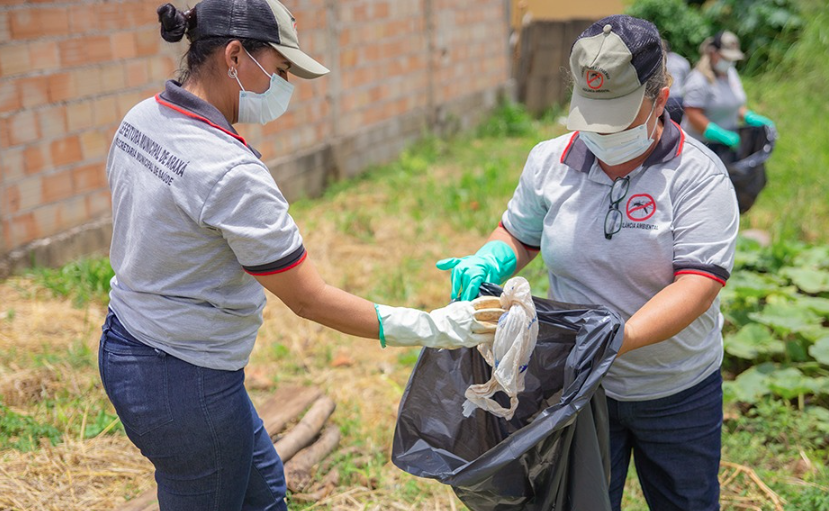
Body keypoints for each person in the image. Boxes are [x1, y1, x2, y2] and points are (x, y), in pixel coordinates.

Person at [98, 1, 503, 509]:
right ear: (235, 55)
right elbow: (309, 299)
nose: (285, 85)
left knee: (265, 491)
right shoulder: (230, 172)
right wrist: (435, 326)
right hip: (185, 376)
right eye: (282, 69)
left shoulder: (142, 119)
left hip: (129, 342)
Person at [436, 15, 739, 511]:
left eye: (617, 116)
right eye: (590, 113)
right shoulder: (549, 160)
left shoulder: (697, 177)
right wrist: (493, 258)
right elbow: (520, 232)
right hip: (580, 386)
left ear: (659, 100)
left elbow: (698, 284)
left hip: (674, 385)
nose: (600, 131)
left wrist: (620, 339)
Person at [682, 30, 775, 150]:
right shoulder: (698, 79)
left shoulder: (730, 73)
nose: (729, 61)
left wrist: (748, 116)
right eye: (725, 57)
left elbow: (733, 102)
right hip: (701, 145)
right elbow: (692, 114)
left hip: (724, 145)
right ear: (713, 52)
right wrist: (718, 134)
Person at [663, 38, 690, 124]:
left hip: (665, 98)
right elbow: (686, 79)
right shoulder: (681, 60)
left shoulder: (659, 59)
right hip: (679, 99)